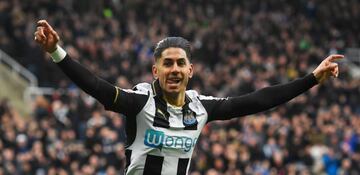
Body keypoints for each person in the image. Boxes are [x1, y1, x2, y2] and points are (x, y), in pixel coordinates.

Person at [34, 20, 343, 175]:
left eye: (180, 63)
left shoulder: (200, 107)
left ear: (190, 70)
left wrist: (312, 79)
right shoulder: (141, 103)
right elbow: (97, 87)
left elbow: (257, 100)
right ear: (155, 70)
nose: (174, 69)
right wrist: (57, 53)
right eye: (167, 63)